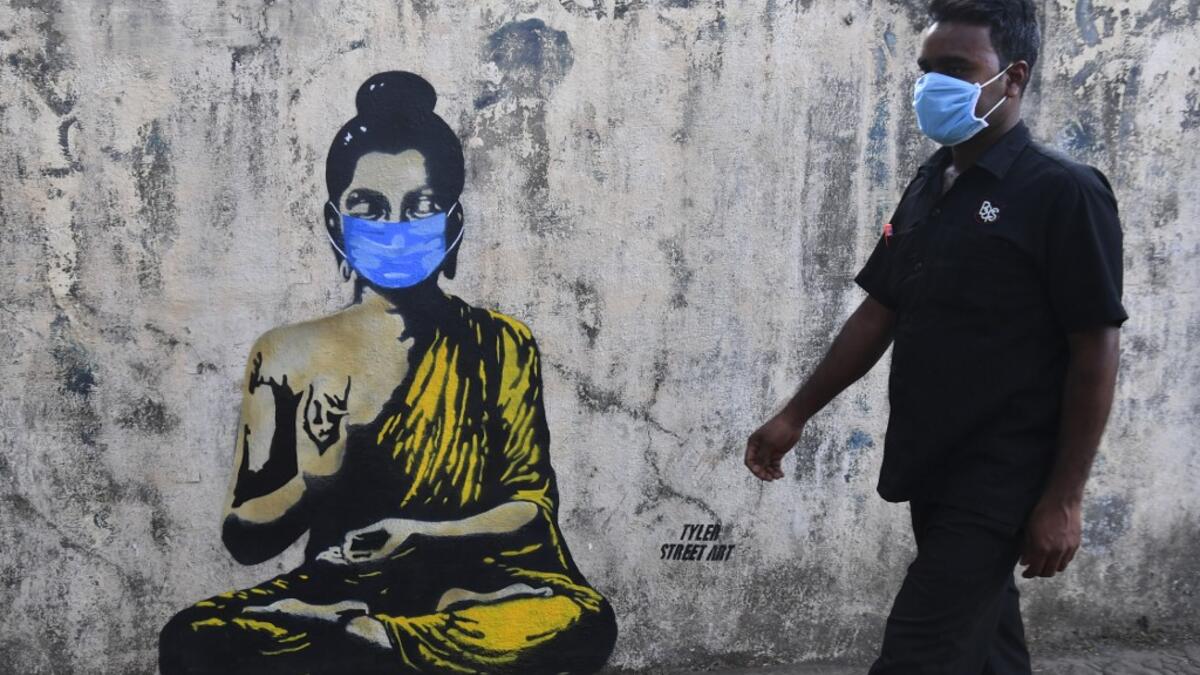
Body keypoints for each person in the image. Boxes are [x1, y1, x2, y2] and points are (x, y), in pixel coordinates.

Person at [159, 71, 617, 674]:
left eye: (421, 207)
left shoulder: (499, 343)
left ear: (452, 225)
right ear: (335, 224)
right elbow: (244, 536)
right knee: (195, 638)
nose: (396, 228)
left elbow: (530, 508)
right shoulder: (287, 352)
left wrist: (420, 535)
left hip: (473, 592)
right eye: (369, 208)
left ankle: (376, 644)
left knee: (579, 619)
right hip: (342, 590)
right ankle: (368, 638)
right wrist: (317, 479)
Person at [744, 1, 1126, 672]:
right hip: (933, 459)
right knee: (985, 642)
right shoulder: (933, 181)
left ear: (1013, 78)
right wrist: (795, 414)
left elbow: (1095, 348)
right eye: (925, 70)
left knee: (919, 651)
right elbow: (880, 309)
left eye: (955, 69)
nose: (932, 85)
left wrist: (1064, 496)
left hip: (1003, 472)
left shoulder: (1064, 192)